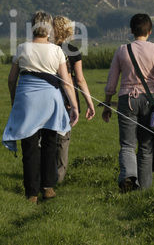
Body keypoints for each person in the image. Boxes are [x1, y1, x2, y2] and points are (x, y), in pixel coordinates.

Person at [3, 11, 79, 203]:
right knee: (49, 143)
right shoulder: (57, 51)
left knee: (29, 146)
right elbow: (66, 81)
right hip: (51, 101)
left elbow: (12, 79)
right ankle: (48, 187)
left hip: (27, 99)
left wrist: (15, 100)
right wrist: (74, 106)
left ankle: (31, 193)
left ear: (32, 27)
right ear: (49, 29)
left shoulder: (22, 49)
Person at [101, 13, 154, 191]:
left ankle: (129, 177)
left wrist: (108, 102)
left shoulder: (122, 50)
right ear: (150, 31)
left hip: (126, 100)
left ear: (131, 31)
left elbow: (112, 80)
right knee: (146, 147)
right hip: (150, 99)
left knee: (127, 145)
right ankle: (144, 189)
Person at [52, 16, 95, 184]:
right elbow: (80, 80)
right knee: (62, 140)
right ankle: (57, 178)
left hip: (48, 97)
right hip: (68, 100)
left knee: (46, 136)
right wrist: (89, 103)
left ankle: (43, 176)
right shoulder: (73, 51)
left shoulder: (46, 49)